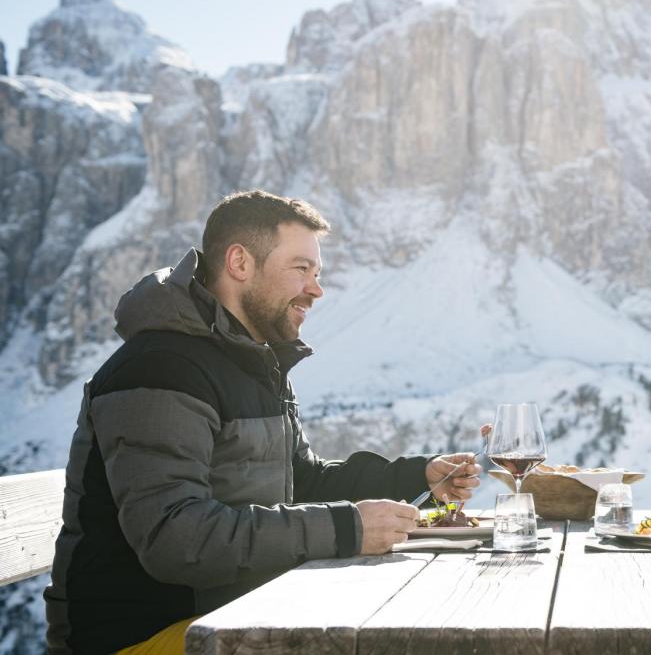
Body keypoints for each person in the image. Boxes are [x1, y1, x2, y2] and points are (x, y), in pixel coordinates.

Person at [45, 190, 482, 654]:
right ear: (239, 263)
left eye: (317, 273)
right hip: (142, 637)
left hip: (233, 615)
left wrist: (417, 477)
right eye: (301, 269)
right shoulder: (160, 367)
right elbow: (176, 538)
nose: (316, 289)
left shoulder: (254, 363)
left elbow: (305, 481)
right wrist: (347, 528)